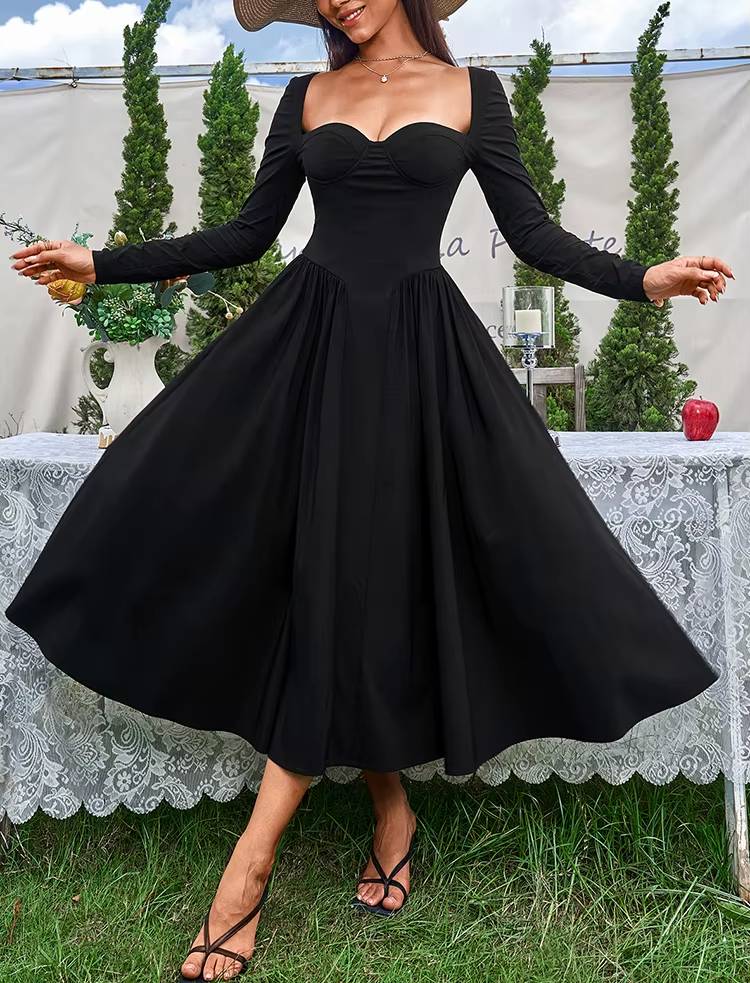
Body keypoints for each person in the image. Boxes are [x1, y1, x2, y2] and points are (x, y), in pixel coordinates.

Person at [6, 0, 729, 980]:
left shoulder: (473, 92)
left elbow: (533, 235)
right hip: (309, 352)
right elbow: (246, 234)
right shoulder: (309, 95)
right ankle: (386, 808)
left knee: (373, 575)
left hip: (417, 364)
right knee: (307, 565)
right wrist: (103, 264)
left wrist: (645, 278)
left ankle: (252, 864)